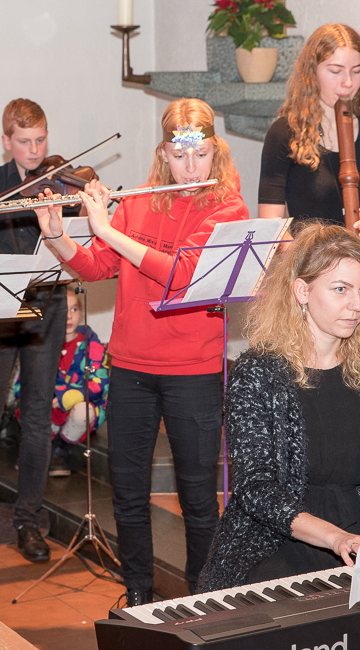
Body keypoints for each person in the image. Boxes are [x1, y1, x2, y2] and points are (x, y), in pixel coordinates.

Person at [35, 98, 249, 604]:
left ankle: (201, 600)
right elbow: (95, 267)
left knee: (198, 499)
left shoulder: (228, 209)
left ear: (215, 153)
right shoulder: (137, 202)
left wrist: (107, 228)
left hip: (193, 370)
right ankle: (138, 594)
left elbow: (184, 275)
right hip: (130, 366)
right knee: (128, 494)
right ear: (163, 155)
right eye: (180, 156)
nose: (191, 168)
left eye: (201, 155)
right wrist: (58, 237)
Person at [198, 223, 360, 593]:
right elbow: (255, 489)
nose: (357, 304)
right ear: (302, 291)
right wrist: (334, 537)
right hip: (276, 537)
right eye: (341, 289)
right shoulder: (257, 373)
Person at [0, 99, 74, 562]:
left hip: (48, 303)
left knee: (37, 419)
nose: (34, 150)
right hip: (0, 310)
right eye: (24, 142)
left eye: (40, 140)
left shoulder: (59, 179)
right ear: (7, 141)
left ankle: (28, 522)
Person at [259, 24, 360, 252]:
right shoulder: (285, 132)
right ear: (311, 72)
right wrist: (307, 260)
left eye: (357, 71)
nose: (348, 82)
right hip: (309, 261)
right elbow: (270, 222)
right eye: (336, 72)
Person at [48, 287, 109, 478]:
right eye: (62, 310)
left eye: (74, 309)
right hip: (51, 411)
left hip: (79, 410)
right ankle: (39, 449)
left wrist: (66, 397)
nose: (69, 316)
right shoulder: (44, 344)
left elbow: (100, 382)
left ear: (81, 312)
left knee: (84, 411)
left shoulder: (91, 343)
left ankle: (60, 448)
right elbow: (21, 385)